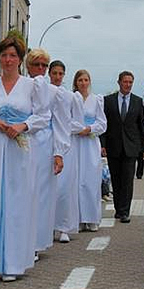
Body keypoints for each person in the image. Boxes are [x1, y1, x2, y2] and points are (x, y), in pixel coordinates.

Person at [0, 35, 50, 282]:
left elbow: (43, 116)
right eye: (4, 55)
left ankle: (13, 263)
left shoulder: (32, 86)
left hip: (18, 149)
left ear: (20, 59)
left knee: (16, 203)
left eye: (13, 55)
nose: (8, 60)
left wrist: (23, 126)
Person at [25, 49, 71, 257]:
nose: (41, 70)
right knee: (23, 192)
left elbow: (62, 124)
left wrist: (59, 152)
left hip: (44, 145)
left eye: (44, 66)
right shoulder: (22, 87)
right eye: (37, 65)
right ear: (28, 66)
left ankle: (35, 242)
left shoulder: (55, 93)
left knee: (41, 195)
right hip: (21, 143)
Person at [100, 71, 144, 223]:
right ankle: (118, 208)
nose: (128, 85)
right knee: (116, 179)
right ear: (119, 82)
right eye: (125, 82)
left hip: (131, 147)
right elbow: (104, 125)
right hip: (113, 146)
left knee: (127, 180)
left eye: (130, 82)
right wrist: (102, 145)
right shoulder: (108, 101)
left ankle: (125, 211)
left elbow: (143, 126)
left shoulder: (138, 102)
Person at [50, 60, 84, 243]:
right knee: (47, 188)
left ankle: (64, 226)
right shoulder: (43, 92)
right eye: (54, 73)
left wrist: (62, 126)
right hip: (46, 144)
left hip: (65, 145)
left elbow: (77, 122)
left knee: (64, 188)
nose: (56, 77)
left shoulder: (71, 97)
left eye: (60, 74)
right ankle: (46, 225)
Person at [73, 70, 107, 232]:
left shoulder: (97, 100)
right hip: (76, 143)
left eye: (86, 80)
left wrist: (89, 129)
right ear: (76, 82)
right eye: (80, 80)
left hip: (91, 142)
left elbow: (102, 123)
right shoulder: (72, 99)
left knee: (91, 180)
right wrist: (76, 130)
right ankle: (78, 217)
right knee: (77, 179)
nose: (83, 83)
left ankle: (92, 217)